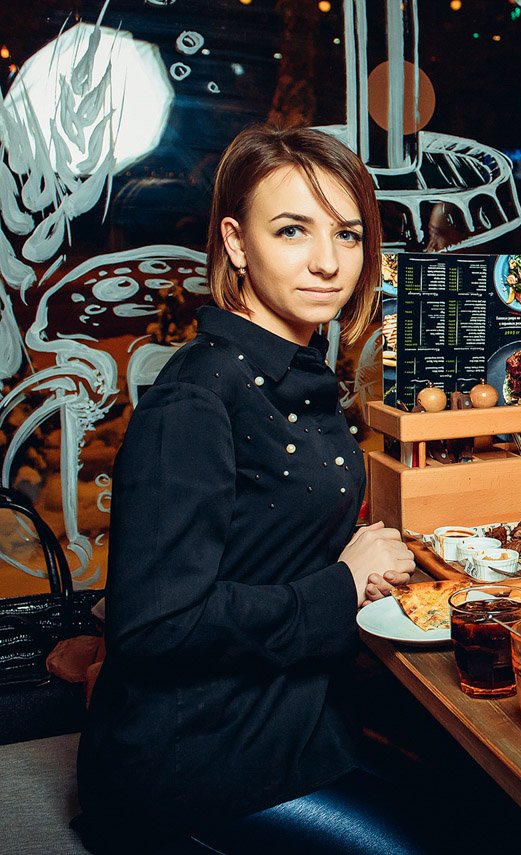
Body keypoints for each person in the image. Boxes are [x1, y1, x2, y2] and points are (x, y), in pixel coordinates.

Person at [75, 125, 425, 853]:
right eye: (293, 230)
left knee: (495, 805)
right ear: (236, 243)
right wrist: (341, 583)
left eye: (348, 234)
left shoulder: (296, 372)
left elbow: (260, 539)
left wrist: (354, 560)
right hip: (202, 761)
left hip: (299, 721)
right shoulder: (197, 397)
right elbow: (155, 627)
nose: (328, 261)